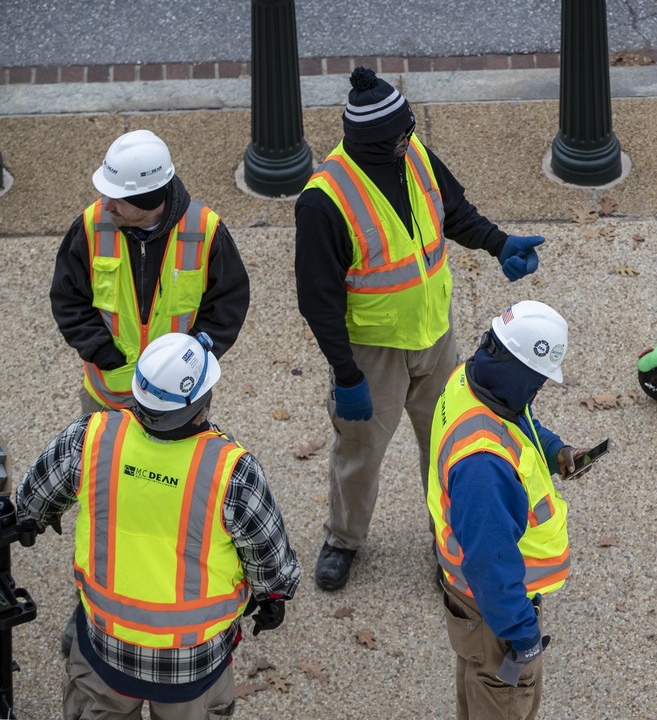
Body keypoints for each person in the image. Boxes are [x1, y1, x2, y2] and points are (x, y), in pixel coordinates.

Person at [295, 66, 545, 592]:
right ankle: (343, 539)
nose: (411, 141)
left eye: (411, 131)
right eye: (401, 135)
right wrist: (345, 374)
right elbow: (318, 301)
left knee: (448, 446)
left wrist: (499, 244)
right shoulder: (324, 200)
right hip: (372, 352)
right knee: (359, 453)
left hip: (436, 336)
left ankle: (448, 539)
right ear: (372, 140)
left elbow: (453, 212)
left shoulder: (414, 157)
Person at [16, 331, 301, 719]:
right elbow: (271, 560)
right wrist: (273, 598)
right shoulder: (232, 471)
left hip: (105, 646)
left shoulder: (90, 438)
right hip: (193, 663)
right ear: (202, 399)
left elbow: (31, 499)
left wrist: (39, 516)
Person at [428, 300, 595, 719]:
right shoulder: (482, 464)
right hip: (494, 610)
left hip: (475, 603)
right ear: (517, 366)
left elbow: (520, 421)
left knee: (477, 684)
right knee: (500, 696)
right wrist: (523, 634)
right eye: (536, 382)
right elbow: (490, 563)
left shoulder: (470, 382)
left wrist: (557, 451)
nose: (536, 391)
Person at [51, 129, 251, 415]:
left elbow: (228, 305)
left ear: (148, 199)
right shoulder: (90, 226)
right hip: (108, 396)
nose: (106, 205)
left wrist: (191, 360)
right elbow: (67, 298)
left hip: (178, 400)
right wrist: (100, 351)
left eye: (118, 198)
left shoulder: (205, 231)